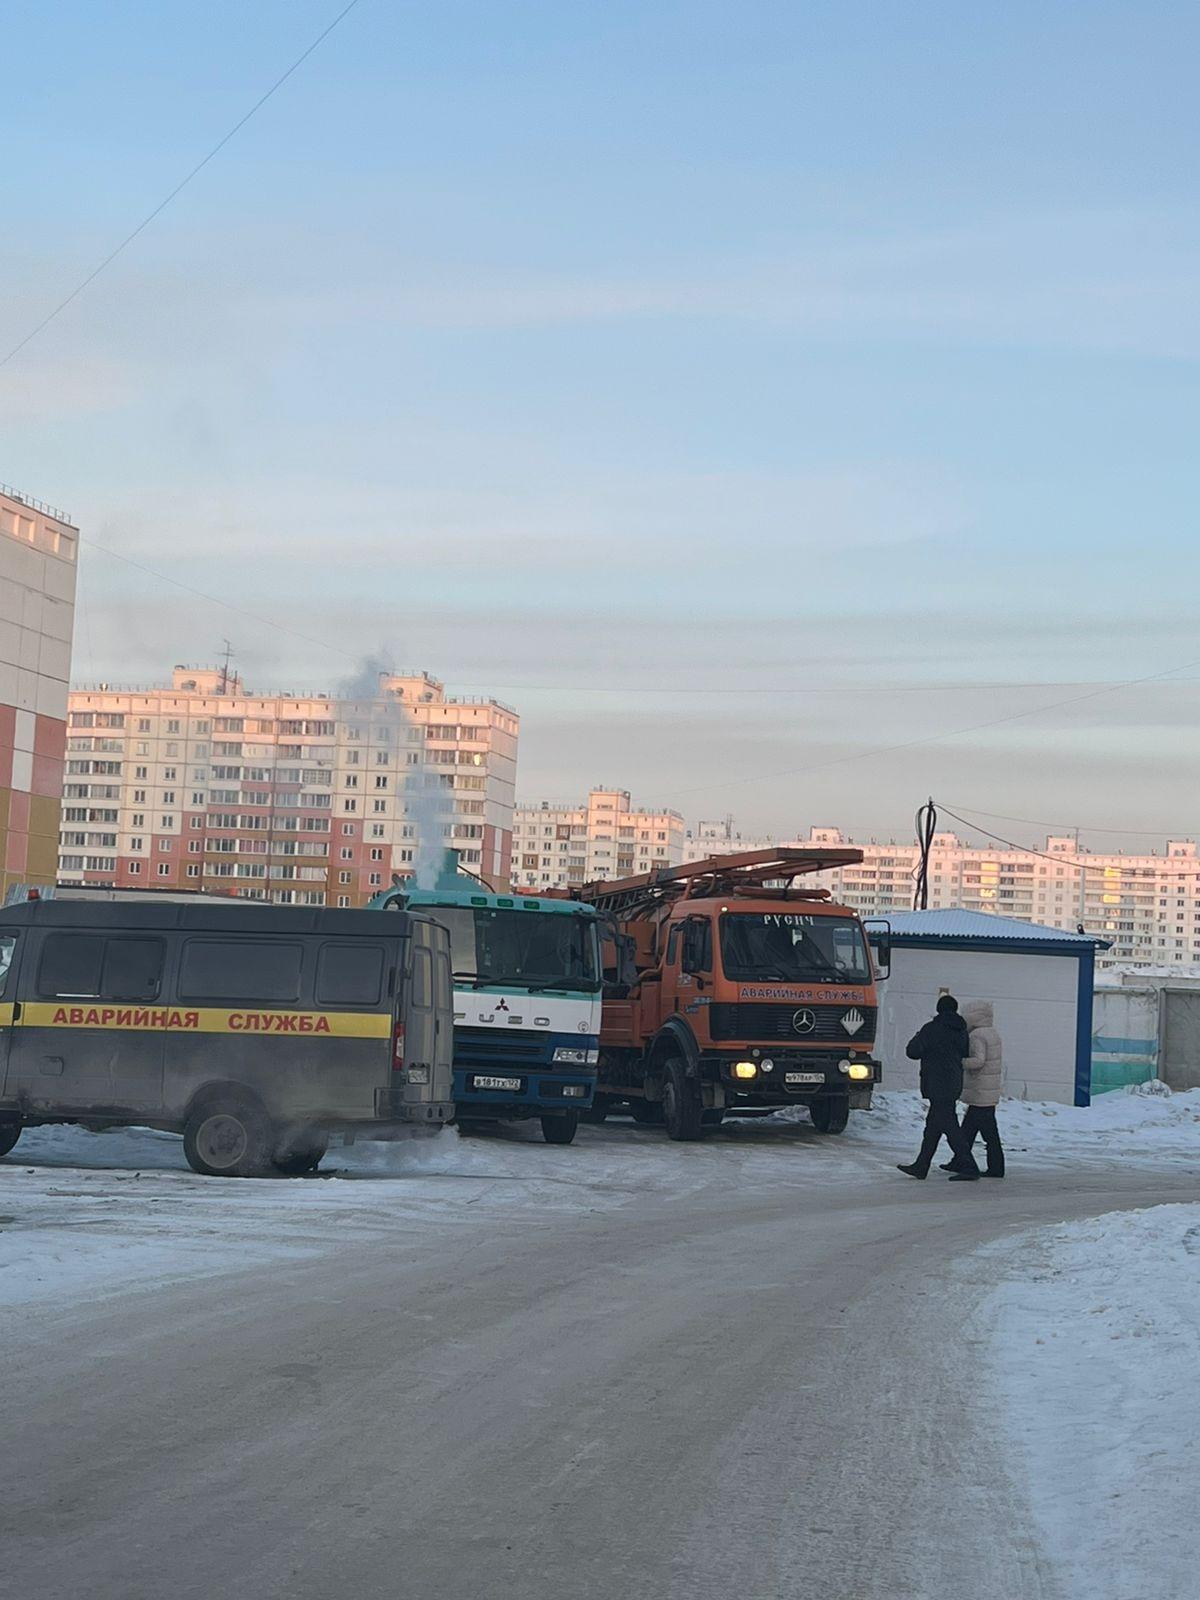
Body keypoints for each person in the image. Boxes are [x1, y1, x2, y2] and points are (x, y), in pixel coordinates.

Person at [897, 994, 979, 1181]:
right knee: (933, 1126)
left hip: (936, 1083)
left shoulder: (931, 1029)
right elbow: (964, 1052)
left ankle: (969, 1165)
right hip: (953, 1082)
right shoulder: (961, 1030)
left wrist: (919, 1036)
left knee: (950, 1126)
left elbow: (912, 1052)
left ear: (938, 1009)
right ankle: (921, 1165)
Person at [949, 1000, 1005, 1178]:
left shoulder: (977, 1036)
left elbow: (978, 1061)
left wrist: (960, 1062)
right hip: (987, 1089)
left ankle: (996, 1167)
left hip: (980, 1090)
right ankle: (959, 1161)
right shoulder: (992, 1033)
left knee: (989, 1133)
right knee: (968, 1129)